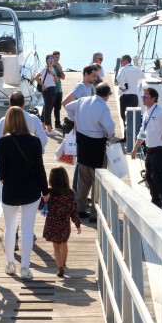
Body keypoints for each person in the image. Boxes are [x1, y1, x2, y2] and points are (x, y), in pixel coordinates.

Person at [0, 107, 50, 280]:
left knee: (10, 228)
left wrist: (3, 177)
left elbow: (1, 172)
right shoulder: (35, 142)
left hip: (10, 191)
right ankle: (25, 268)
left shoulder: (2, 142)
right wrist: (45, 191)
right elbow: (40, 169)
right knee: (28, 230)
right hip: (31, 191)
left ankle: (10, 263)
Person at [65, 82, 116, 223]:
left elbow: (68, 107)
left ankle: (79, 209)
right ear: (107, 95)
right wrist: (110, 136)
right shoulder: (103, 108)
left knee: (83, 178)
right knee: (97, 180)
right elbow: (110, 127)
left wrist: (74, 119)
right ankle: (94, 213)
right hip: (96, 145)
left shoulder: (83, 100)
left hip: (82, 143)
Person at [130, 87, 162, 213]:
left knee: (157, 175)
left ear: (153, 98)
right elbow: (143, 132)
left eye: (146, 96)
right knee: (149, 176)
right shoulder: (146, 112)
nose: (143, 98)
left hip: (160, 148)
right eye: (143, 96)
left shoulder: (160, 111)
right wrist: (135, 148)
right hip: (150, 148)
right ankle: (156, 201)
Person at [61, 64, 99, 192]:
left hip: (85, 128)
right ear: (86, 74)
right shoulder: (80, 87)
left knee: (81, 159)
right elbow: (65, 103)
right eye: (93, 75)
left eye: (96, 76)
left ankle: (78, 191)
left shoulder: (91, 87)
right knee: (80, 160)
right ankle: (76, 190)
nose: (95, 78)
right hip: (77, 128)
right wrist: (76, 120)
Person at [39, 167, 81, 277]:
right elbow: (74, 211)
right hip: (65, 225)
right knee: (64, 245)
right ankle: (64, 263)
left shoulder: (49, 193)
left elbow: (40, 206)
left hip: (52, 224)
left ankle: (60, 267)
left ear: (51, 180)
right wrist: (77, 224)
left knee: (56, 247)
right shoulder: (70, 194)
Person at [116, 55, 145, 147]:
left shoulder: (123, 69)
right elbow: (142, 76)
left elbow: (119, 79)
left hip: (125, 96)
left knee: (124, 117)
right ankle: (134, 137)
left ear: (125, 61)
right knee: (132, 116)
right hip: (134, 96)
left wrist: (123, 87)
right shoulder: (137, 69)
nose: (120, 63)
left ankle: (126, 137)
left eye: (121, 61)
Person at [35, 54, 60, 136]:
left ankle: (43, 127)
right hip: (47, 90)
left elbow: (56, 81)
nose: (51, 61)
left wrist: (53, 74)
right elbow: (36, 77)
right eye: (49, 60)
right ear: (46, 61)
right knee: (48, 109)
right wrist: (42, 85)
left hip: (53, 89)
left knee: (46, 108)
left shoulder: (52, 69)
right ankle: (49, 129)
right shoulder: (45, 69)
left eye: (52, 59)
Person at [52, 51, 65, 130]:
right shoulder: (50, 67)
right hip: (52, 90)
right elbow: (56, 79)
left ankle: (57, 124)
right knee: (50, 108)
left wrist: (60, 69)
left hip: (59, 89)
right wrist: (59, 77)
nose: (57, 59)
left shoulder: (58, 66)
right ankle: (48, 125)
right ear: (52, 57)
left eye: (58, 58)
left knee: (58, 108)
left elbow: (63, 77)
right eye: (56, 57)